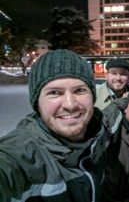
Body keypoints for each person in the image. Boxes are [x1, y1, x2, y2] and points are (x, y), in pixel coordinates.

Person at [0, 49, 110, 201]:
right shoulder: (19, 154)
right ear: (37, 103)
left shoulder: (99, 134)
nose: (70, 105)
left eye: (79, 90)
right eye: (55, 93)